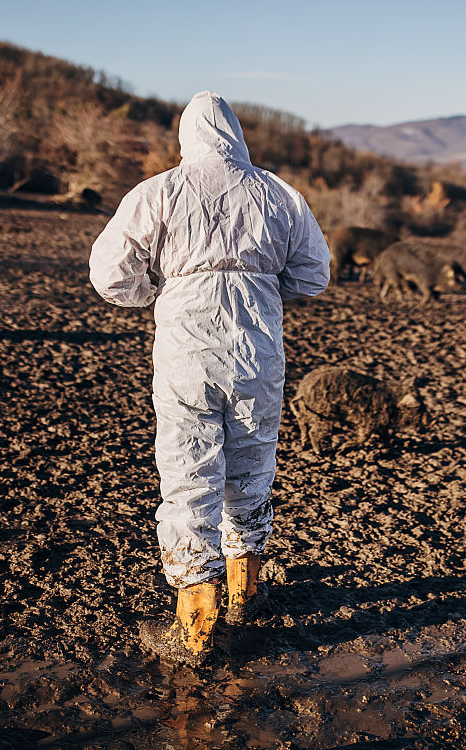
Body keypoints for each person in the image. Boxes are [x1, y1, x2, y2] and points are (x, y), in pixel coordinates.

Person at [89, 91, 331, 664]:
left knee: (188, 474)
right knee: (251, 467)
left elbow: (109, 275)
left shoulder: (158, 192)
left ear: (185, 136)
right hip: (257, 351)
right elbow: (314, 275)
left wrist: (159, 290)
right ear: (238, 136)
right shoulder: (278, 193)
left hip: (186, 354)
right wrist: (266, 286)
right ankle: (245, 594)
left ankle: (195, 629)